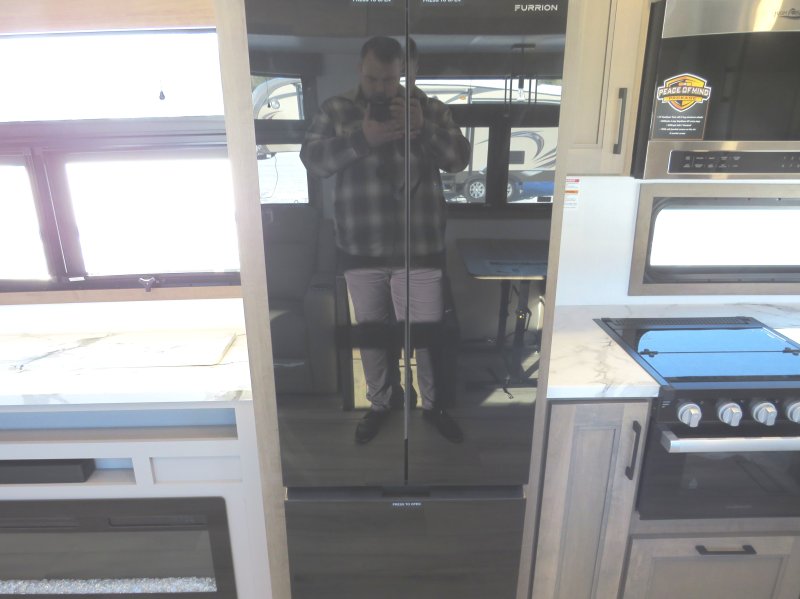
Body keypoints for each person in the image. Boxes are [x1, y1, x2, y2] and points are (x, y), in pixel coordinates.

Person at [300, 36, 470, 444]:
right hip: (360, 248)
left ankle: (434, 406)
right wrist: (363, 139)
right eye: (373, 78)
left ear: (402, 73)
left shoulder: (429, 109)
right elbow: (312, 161)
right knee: (373, 336)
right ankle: (381, 404)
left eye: (390, 79)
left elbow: (459, 160)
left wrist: (424, 129)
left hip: (421, 248)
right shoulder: (336, 109)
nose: (381, 88)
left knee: (427, 338)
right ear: (360, 68)